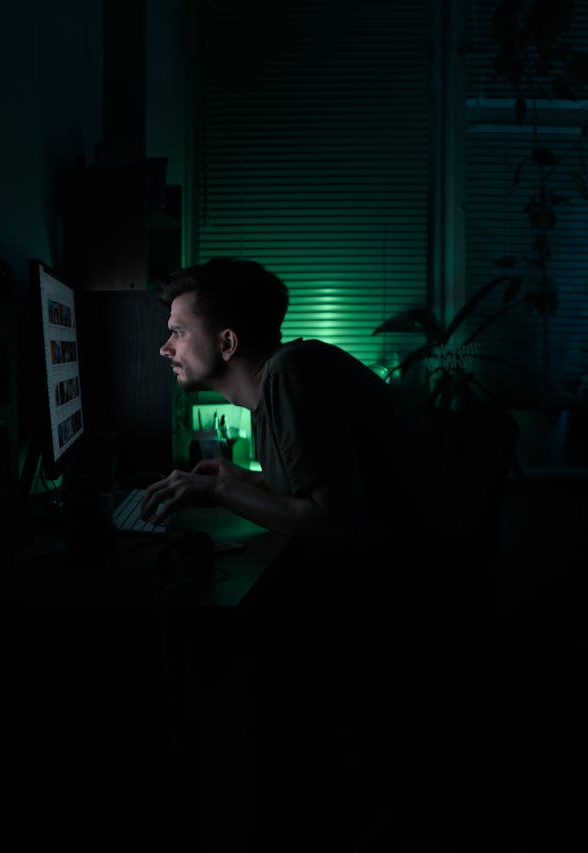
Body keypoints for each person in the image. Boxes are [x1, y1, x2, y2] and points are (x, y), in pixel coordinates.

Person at [140, 257, 444, 848]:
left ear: (227, 343)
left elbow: (336, 521)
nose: (164, 347)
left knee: (211, 659)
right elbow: (317, 486)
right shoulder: (284, 379)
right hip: (387, 594)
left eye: (177, 331)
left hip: (391, 612)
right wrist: (239, 478)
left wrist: (219, 491)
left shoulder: (290, 378)